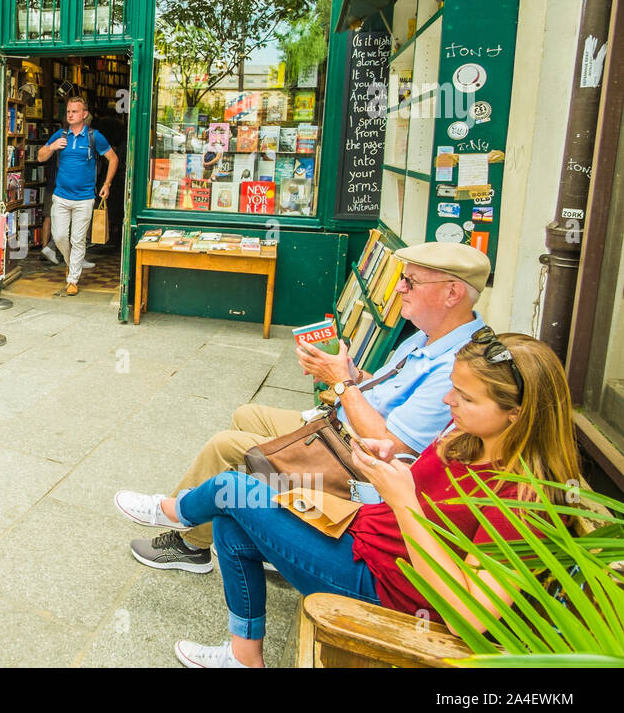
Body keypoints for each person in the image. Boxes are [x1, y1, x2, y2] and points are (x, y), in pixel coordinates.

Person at [115, 331, 583, 667]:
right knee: (231, 519)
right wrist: (384, 464)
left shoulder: (524, 501)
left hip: (386, 586)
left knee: (229, 489)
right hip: (360, 530)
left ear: (516, 416)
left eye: (463, 396)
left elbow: (469, 614)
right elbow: (425, 493)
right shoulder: (467, 436)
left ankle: (170, 512)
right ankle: (244, 657)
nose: (448, 403)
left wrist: (404, 502)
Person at [125, 242, 492, 574]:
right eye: (401, 279)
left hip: (351, 460)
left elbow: (390, 445)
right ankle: (242, 524)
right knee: (245, 415)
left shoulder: (455, 367)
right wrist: (351, 373)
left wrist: (341, 384)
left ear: (452, 293)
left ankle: (192, 543)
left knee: (225, 445)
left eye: (411, 282)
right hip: (336, 425)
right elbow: (379, 390)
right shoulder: (430, 336)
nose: (399, 288)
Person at [36, 96, 117, 295]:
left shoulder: (94, 136)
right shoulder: (60, 134)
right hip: (61, 196)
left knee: (78, 239)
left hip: (84, 198)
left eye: (74, 111)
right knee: (60, 236)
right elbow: (39, 156)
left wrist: (107, 184)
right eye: (68, 111)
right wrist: (52, 147)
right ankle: (72, 262)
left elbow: (113, 158)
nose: (70, 115)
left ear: (84, 115)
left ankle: (72, 279)